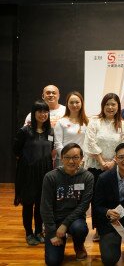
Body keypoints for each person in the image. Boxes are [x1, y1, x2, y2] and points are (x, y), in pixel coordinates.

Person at [40, 143, 94, 265]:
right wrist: (52, 233)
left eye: (75, 157)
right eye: (67, 157)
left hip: (76, 219)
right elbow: (45, 207)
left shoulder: (87, 177)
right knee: (52, 261)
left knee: (79, 228)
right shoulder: (50, 177)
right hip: (55, 219)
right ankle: (60, 239)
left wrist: (65, 224)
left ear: (81, 158)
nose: (71, 161)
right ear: (62, 158)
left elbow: (83, 205)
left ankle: (79, 245)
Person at [84, 93, 124, 241]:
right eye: (107, 104)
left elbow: (123, 145)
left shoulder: (122, 124)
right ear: (103, 106)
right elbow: (90, 142)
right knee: (97, 199)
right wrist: (102, 162)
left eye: (113, 104)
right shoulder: (95, 121)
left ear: (118, 107)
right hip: (96, 166)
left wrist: (114, 162)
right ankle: (98, 229)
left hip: (115, 167)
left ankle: (112, 226)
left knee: (113, 198)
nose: (110, 107)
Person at [14, 99, 55, 245]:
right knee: (28, 204)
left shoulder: (50, 131)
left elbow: (50, 150)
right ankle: (29, 233)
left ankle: (39, 231)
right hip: (28, 173)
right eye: (40, 111)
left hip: (45, 172)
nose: (43, 114)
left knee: (41, 204)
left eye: (45, 111)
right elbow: (16, 150)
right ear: (34, 113)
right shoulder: (25, 131)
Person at [54, 91, 89, 167]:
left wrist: (82, 159)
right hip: (64, 162)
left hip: (81, 162)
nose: (74, 105)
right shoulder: (61, 122)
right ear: (67, 104)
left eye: (77, 102)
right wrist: (67, 159)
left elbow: (88, 143)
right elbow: (58, 144)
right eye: (71, 102)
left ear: (82, 103)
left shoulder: (87, 122)